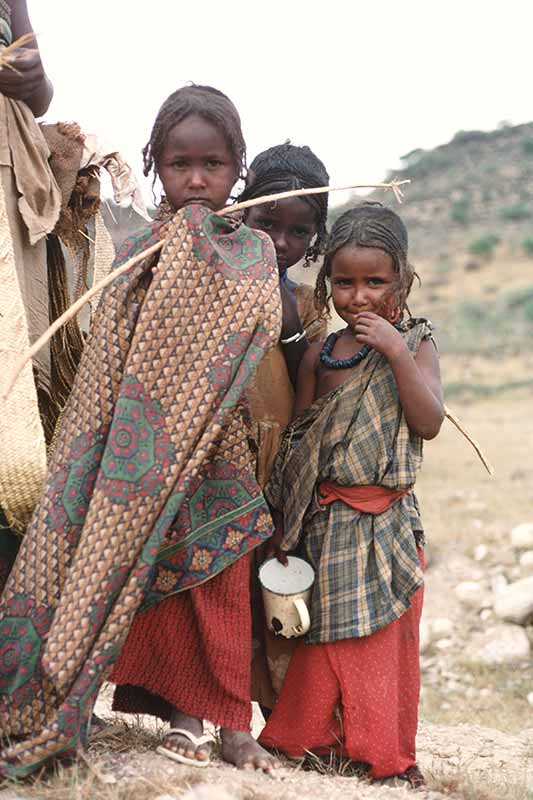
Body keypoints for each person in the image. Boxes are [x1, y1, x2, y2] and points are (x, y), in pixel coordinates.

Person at [0, 84, 281, 778]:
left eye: (211, 165)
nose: (195, 179)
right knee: (142, 581)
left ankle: (231, 724)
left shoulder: (251, 253)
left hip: (218, 450)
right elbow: (113, 363)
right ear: (155, 165)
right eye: (180, 164)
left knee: (217, 584)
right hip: (141, 456)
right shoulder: (138, 257)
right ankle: (176, 717)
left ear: (236, 167)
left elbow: (258, 328)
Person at [258, 203, 444, 787]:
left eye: (375, 282)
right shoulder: (321, 354)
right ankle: (316, 741)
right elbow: (300, 447)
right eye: (345, 281)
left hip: (387, 520)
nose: (359, 296)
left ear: (402, 282)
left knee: (384, 641)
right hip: (328, 520)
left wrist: (393, 350)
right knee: (327, 639)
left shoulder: (415, 343)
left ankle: (385, 751)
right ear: (328, 281)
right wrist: (287, 529)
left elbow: (429, 420)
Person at [236, 143, 330, 713]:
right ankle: (217, 704)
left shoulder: (306, 303)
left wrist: (291, 328)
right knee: (221, 584)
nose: (280, 242)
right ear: (243, 211)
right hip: (221, 455)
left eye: (299, 231)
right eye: (267, 222)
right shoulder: (215, 280)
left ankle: (281, 712)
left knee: (275, 579)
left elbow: (307, 391)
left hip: (279, 461)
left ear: (315, 238)